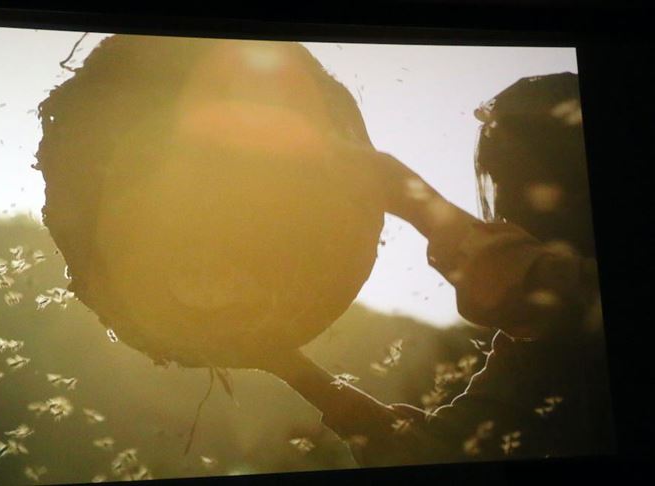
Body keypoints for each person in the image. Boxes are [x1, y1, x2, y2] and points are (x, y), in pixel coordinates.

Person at [239, 72, 615, 467]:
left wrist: (420, 205)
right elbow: (446, 450)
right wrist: (284, 362)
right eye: (499, 179)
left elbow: (561, 294)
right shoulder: (532, 351)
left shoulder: (563, 308)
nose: (506, 203)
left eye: (522, 176)